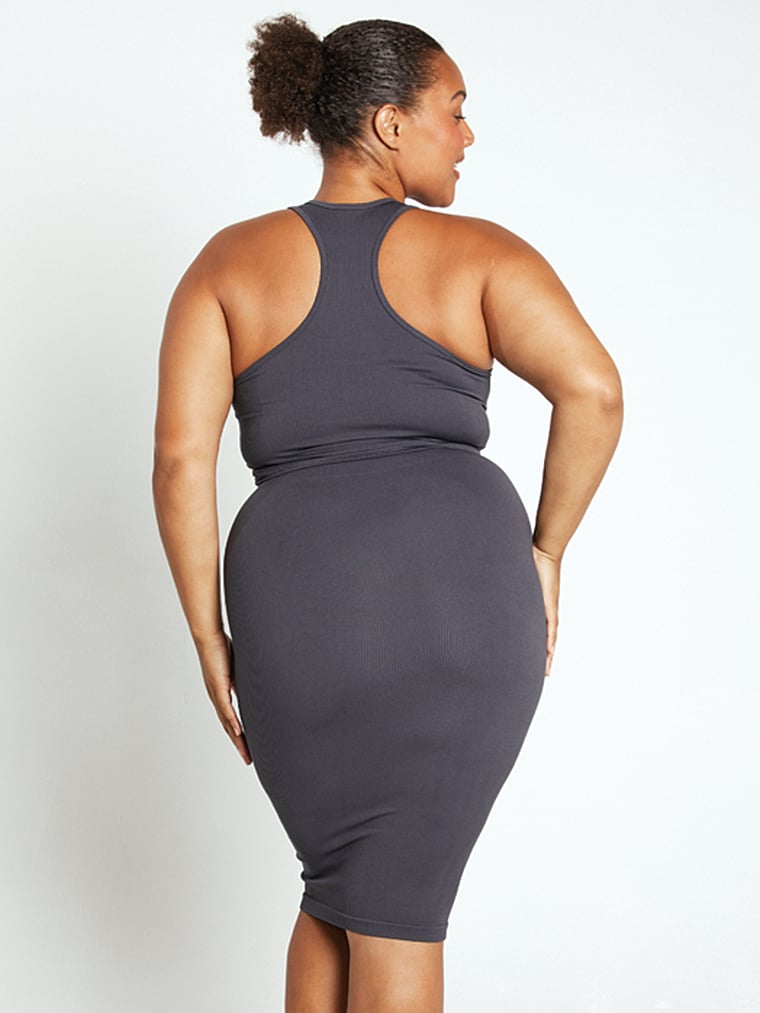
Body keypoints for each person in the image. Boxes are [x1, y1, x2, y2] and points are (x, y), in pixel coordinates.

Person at [152, 13, 623, 1013]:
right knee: (392, 900)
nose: (467, 133)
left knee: (341, 885)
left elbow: (181, 460)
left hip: (293, 618)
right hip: (458, 606)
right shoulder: (480, 254)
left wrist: (208, 634)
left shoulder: (227, 264)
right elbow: (594, 390)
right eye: (455, 109)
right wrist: (545, 552)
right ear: (388, 123)